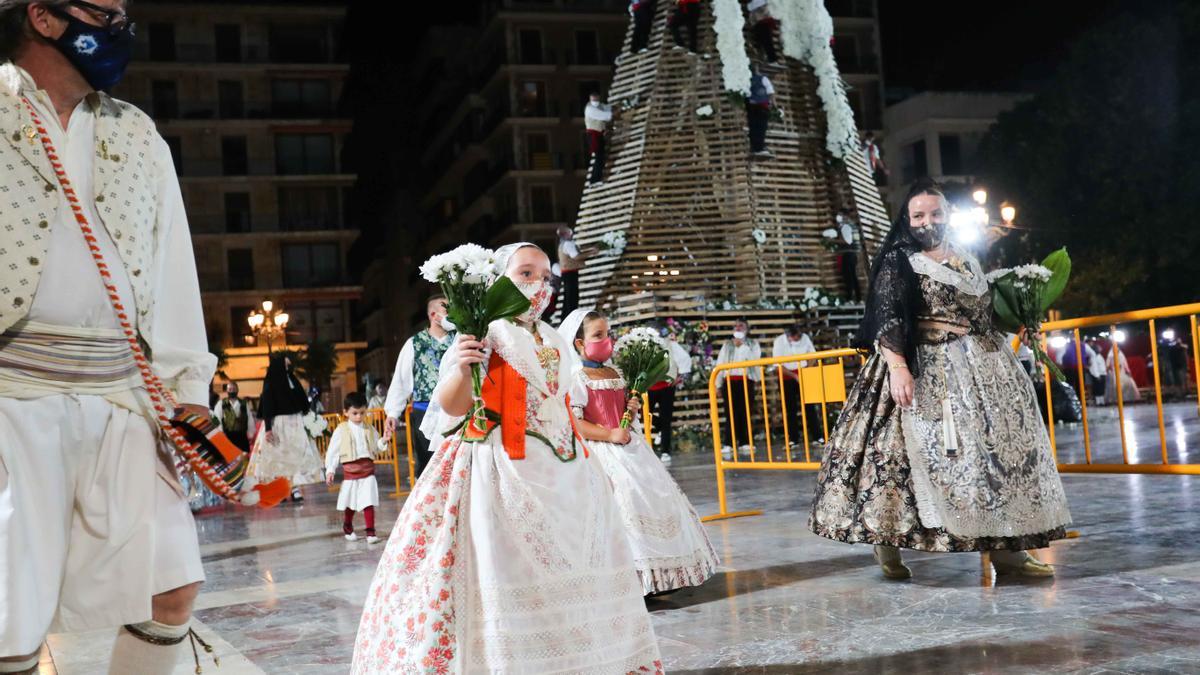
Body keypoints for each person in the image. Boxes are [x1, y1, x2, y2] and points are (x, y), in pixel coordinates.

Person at [0, 2, 218, 671]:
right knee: (9, 615)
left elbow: (172, 261)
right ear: (42, 17)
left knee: (170, 585)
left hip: (125, 393)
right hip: (12, 391)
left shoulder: (139, 133)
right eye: (108, 11)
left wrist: (189, 387)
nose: (123, 25)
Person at [352, 243, 662, 673]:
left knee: (572, 575)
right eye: (526, 273)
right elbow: (453, 405)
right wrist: (462, 366)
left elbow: (562, 407)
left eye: (545, 276)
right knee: (509, 571)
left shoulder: (553, 338)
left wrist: (590, 461)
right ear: (500, 278)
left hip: (563, 469)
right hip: (499, 467)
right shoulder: (487, 330)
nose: (538, 285)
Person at [809, 182, 1072, 580]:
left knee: (995, 459)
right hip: (924, 368)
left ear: (948, 214)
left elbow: (983, 312)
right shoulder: (901, 260)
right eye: (918, 215)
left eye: (935, 213)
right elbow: (887, 315)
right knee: (895, 460)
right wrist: (898, 367)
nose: (927, 222)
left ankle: (1009, 552)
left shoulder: (966, 258)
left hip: (982, 373)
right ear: (907, 219)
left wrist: (1021, 321)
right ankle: (887, 542)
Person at [560, 309, 720, 595]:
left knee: (653, 496)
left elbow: (623, 413)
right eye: (597, 335)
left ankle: (659, 576)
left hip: (630, 446)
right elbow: (575, 422)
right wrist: (609, 433)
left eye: (607, 334)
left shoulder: (617, 373)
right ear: (579, 343)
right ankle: (630, 580)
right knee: (625, 501)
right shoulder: (577, 378)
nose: (606, 340)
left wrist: (630, 410)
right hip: (602, 450)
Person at [384, 294, 455, 479]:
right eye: (446, 310)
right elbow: (401, 380)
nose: (452, 314)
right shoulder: (414, 343)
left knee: (455, 460)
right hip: (424, 411)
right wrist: (392, 413)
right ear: (433, 315)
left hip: (455, 409)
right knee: (427, 463)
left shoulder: (459, 339)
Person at [248, 353, 324, 502]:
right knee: (279, 459)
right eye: (286, 365)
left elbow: (302, 401)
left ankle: (294, 489)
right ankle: (280, 490)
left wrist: (309, 419)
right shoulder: (271, 382)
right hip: (278, 425)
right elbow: (268, 406)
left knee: (294, 458)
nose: (289, 368)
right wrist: (268, 428)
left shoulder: (292, 380)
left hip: (295, 424)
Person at [324, 392, 391, 544]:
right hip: (351, 472)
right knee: (351, 502)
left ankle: (371, 532)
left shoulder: (369, 428)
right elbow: (333, 452)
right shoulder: (341, 430)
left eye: (362, 413)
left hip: (367, 470)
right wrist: (330, 470)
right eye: (355, 413)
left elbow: (377, 446)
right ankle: (347, 526)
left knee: (368, 500)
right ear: (346, 412)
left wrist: (384, 440)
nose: (359, 417)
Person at [771, 323, 824, 446]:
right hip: (786, 376)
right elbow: (777, 365)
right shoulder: (779, 342)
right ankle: (793, 439)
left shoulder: (805, 337)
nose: (798, 338)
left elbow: (813, 356)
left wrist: (806, 371)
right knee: (790, 409)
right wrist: (794, 376)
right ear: (788, 336)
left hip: (804, 372)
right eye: (795, 336)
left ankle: (817, 437)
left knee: (810, 407)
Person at [715, 319, 762, 454]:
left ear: (747, 329)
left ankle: (745, 441)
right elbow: (720, 364)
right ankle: (729, 443)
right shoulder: (727, 345)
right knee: (730, 412)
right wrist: (718, 385)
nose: (738, 328)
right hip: (729, 381)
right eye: (736, 326)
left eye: (741, 326)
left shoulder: (753, 344)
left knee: (745, 411)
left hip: (746, 380)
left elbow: (755, 361)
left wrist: (743, 346)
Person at [648, 326, 693, 462]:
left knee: (666, 419)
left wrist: (681, 378)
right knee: (643, 413)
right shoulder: (643, 346)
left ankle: (665, 451)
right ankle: (660, 427)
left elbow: (685, 359)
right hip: (650, 387)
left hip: (667, 386)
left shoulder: (670, 344)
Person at [556, 225, 597, 318]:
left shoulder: (562, 244)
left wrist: (589, 250)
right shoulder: (568, 244)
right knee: (572, 298)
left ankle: (565, 319)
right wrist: (591, 253)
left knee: (568, 298)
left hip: (566, 273)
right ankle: (571, 319)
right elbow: (576, 256)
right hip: (570, 273)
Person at [212, 381, 255, 453]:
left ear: (237, 390)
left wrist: (251, 433)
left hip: (242, 436)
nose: (232, 391)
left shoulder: (244, 403)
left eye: (234, 389)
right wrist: (221, 433)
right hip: (228, 436)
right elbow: (216, 418)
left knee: (244, 456)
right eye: (230, 389)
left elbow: (249, 418)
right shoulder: (221, 403)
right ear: (227, 391)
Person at [584, 91, 612, 185]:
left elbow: (609, 108)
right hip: (593, 135)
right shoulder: (590, 109)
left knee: (601, 156)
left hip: (599, 134)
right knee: (599, 156)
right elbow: (606, 116)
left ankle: (596, 179)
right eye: (594, 98)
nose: (596, 100)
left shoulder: (601, 106)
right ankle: (594, 180)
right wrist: (613, 112)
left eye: (596, 98)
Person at [747, 68, 775, 158]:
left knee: (753, 128)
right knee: (760, 128)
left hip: (751, 107)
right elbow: (770, 92)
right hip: (762, 107)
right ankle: (759, 148)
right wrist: (773, 103)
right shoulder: (762, 78)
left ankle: (755, 147)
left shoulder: (745, 80)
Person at [837, 209, 863, 301]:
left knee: (848, 277)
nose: (839, 217)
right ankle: (858, 298)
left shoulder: (846, 226)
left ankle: (850, 299)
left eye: (840, 215)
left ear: (845, 216)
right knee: (853, 276)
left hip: (848, 254)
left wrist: (833, 241)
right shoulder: (853, 226)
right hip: (854, 254)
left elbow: (848, 241)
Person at [1086, 337, 1108, 404]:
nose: (1100, 349)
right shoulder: (1094, 357)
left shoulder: (1099, 356)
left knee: (1101, 388)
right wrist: (1096, 375)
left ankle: (1102, 402)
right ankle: (1099, 402)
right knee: (1098, 389)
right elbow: (1093, 367)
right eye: (1098, 348)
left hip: (1102, 374)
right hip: (1098, 375)